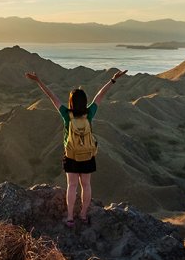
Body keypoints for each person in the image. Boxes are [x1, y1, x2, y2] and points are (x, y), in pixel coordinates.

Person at [25, 68, 127, 227]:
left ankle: (70, 217)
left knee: (71, 186)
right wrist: (113, 79)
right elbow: (100, 95)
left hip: (71, 156)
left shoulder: (66, 114)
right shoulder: (90, 113)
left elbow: (52, 96)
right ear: (85, 101)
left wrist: (38, 81)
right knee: (86, 185)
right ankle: (84, 215)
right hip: (87, 156)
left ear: (71, 102)